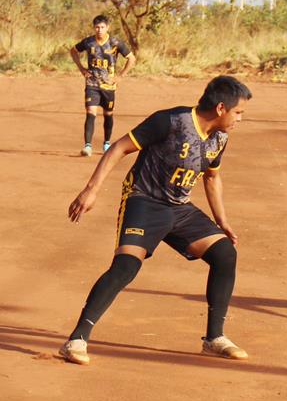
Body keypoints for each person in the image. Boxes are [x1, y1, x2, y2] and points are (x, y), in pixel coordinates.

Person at [58, 76, 253, 365]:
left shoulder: (219, 138)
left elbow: (212, 177)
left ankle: (214, 338)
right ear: (221, 108)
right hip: (144, 201)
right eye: (239, 113)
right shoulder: (171, 121)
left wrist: (221, 221)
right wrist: (91, 191)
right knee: (126, 266)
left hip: (180, 207)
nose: (240, 119)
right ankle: (77, 339)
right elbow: (119, 148)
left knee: (225, 253)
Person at [70, 14, 136, 157]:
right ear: (94, 28)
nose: (99, 30)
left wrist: (120, 76)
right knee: (90, 113)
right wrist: (81, 68)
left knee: (108, 115)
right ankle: (87, 146)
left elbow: (131, 58)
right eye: (97, 27)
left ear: (108, 28)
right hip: (92, 84)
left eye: (102, 27)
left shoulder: (115, 43)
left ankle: (107, 143)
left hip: (108, 86)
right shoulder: (88, 42)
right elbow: (73, 51)